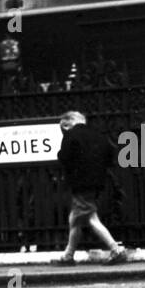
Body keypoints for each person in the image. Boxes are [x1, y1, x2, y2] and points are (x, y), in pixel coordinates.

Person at [56, 110, 127, 263]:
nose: (63, 131)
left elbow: (64, 157)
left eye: (63, 128)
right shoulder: (98, 135)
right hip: (97, 182)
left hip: (80, 182)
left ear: (67, 124)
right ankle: (68, 255)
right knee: (77, 218)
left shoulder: (71, 135)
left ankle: (115, 249)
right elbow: (110, 156)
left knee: (90, 218)